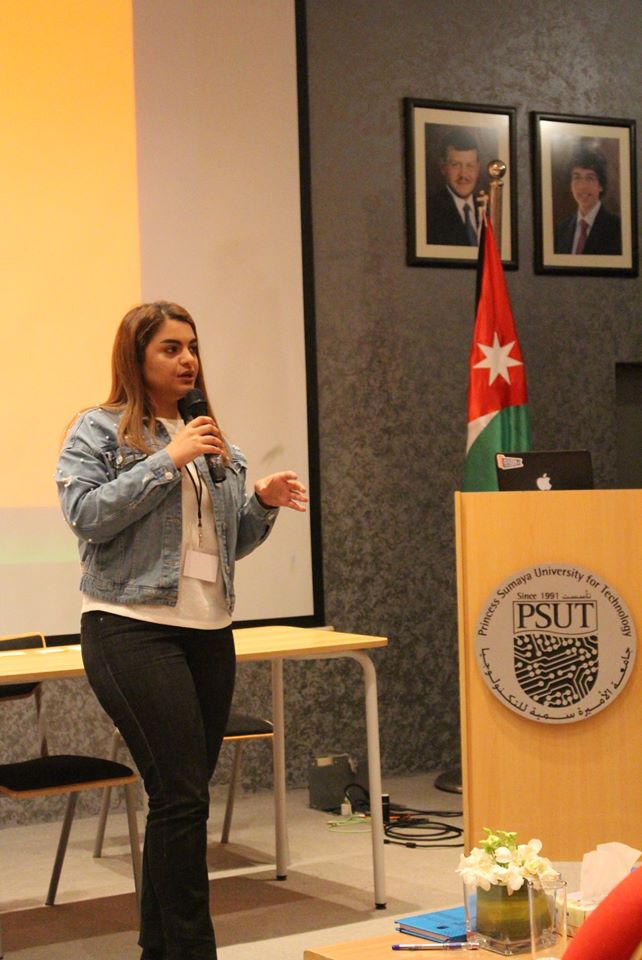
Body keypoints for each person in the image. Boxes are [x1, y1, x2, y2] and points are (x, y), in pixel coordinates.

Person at [56, 301, 308, 960]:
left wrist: (261, 503)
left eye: (192, 346)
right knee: (182, 796)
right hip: (129, 628)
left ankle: (158, 950)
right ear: (136, 357)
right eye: (170, 348)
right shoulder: (98, 430)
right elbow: (86, 515)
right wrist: (165, 459)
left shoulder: (215, 442)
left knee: (179, 800)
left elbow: (225, 545)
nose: (188, 359)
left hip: (208, 632)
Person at [554, 145, 622, 255]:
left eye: (590, 178)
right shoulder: (561, 230)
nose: (582, 187)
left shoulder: (618, 228)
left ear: (601, 185)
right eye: (577, 178)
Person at [427, 128, 481, 246]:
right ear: (443, 167)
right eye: (456, 165)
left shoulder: (489, 210)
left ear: (478, 168)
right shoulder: (429, 212)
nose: (463, 175)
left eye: (470, 165)